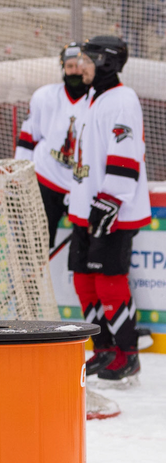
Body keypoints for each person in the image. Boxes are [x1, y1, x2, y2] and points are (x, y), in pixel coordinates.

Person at [68, 36, 150, 383]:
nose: (80, 66)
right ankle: (103, 348)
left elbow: (126, 153)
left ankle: (127, 353)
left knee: (109, 282)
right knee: (83, 281)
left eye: (87, 60)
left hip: (113, 209)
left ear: (105, 62)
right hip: (87, 207)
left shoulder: (122, 99)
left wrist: (111, 200)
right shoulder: (90, 99)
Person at [14, 42, 89, 249]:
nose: (75, 71)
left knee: (85, 251)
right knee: (36, 247)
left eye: (79, 65)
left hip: (82, 184)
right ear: (63, 68)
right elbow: (28, 139)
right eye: (70, 66)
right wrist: (18, 178)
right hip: (46, 181)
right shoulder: (44, 96)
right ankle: (33, 280)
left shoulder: (97, 99)